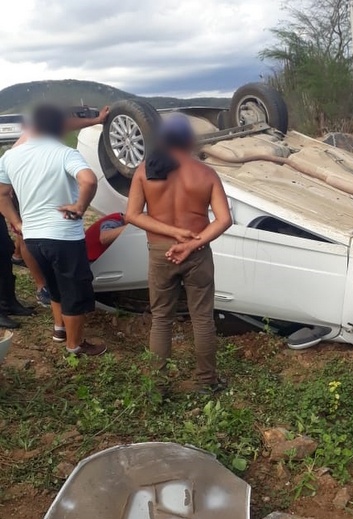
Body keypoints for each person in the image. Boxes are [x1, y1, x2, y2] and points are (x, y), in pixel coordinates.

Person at [125, 114, 232, 392]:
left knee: (161, 319)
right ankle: (206, 381)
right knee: (202, 317)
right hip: (196, 250)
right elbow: (223, 220)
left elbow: (132, 215)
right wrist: (188, 243)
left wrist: (171, 235)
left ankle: (158, 385)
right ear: (189, 140)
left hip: (161, 253)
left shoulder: (145, 170)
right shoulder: (205, 173)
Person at [0, 104, 106, 356]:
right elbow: (89, 180)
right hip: (64, 236)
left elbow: (3, 193)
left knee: (54, 286)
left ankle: (59, 329)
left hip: (34, 237)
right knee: (73, 292)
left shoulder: (10, 156)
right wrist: (80, 206)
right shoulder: (64, 153)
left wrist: (16, 222)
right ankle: (75, 345)